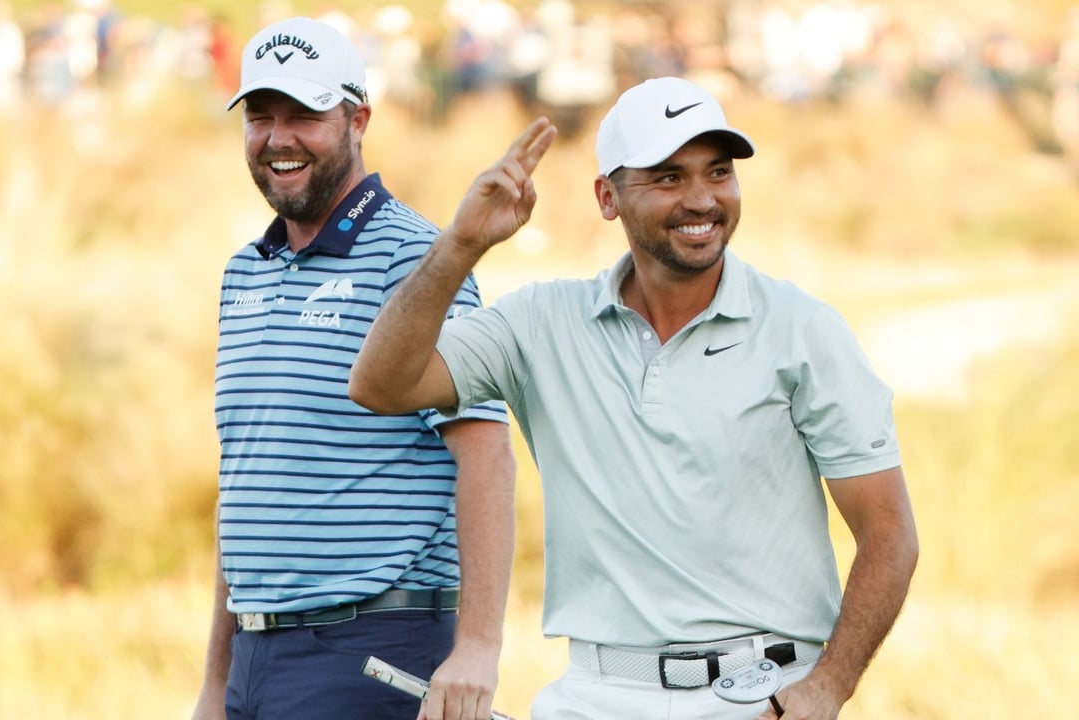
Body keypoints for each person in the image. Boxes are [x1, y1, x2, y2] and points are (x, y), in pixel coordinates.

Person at [349, 76, 919, 720]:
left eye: (719, 172)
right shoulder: (540, 323)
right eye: (669, 178)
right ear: (607, 196)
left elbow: (889, 531)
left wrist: (828, 685)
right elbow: (382, 385)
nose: (702, 199)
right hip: (593, 694)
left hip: (760, 694)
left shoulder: (802, 329)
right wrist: (460, 246)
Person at [191, 17, 517, 720]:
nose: (279, 138)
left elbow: (485, 449)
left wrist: (479, 647)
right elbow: (246, 482)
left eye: (305, 116)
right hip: (256, 656)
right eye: (260, 116)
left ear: (357, 118)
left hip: (372, 650)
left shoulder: (420, 261)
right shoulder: (244, 273)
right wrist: (216, 684)